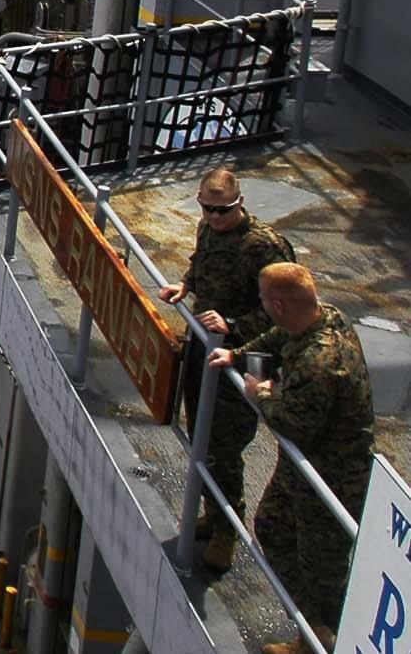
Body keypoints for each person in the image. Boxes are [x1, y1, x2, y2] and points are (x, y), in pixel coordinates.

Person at [208, 263, 373, 654]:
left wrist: (260, 393)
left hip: (332, 477)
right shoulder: (322, 316)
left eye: (264, 300)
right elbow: (279, 336)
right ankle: (311, 628)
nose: (263, 307)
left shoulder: (323, 360)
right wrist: (239, 355)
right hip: (303, 467)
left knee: (324, 569)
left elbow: (296, 424)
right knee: (273, 526)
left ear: (278, 303)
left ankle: (322, 639)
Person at [157, 167, 296, 570]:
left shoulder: (266, 248)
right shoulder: (207, 231)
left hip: (241, 358)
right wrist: (186, 286)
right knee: (200, 437)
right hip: (204, 351)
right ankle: (213, 514)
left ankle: (225, 533)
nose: (215, 218)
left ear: (240, 203)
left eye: (224, 210)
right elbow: (200, 264)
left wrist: (234, 326)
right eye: (208, 209)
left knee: (223, 447)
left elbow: (284, 314)